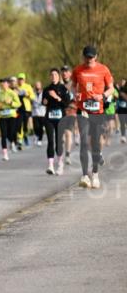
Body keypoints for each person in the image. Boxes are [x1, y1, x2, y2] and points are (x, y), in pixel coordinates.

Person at [71, 45, 114, 189]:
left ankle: (95, 174)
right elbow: (72, 85)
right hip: (83, 110)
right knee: (83, 142)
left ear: (96, 57)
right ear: (83, 56)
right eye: (87, 56)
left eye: (91, 57)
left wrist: (102, 96)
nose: (89, 59)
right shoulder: (78, 70)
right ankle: (84, 176)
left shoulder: (103, 69)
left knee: (95, 144)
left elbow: (111, 88)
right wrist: (74, 94)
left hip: (97, 111)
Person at [42, 68, 72, 175]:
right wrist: (45, 101)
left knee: (59, 141)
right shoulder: (46, 89)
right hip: (49, 117)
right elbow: (44, 102)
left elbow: (66, 103)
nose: (53, 76)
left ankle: (60, 164)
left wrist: (56, 97)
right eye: (52, 75)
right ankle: (50, 165)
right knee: (50, 140)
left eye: (55, 74)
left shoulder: (63, 88)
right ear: (50, 77)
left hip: (60, 118)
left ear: (58, 76)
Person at [0, 77, 22, 161]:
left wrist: (11, 102)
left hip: (11, 115)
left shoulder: (12, 93)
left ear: (8, 84)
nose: (3, 84)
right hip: (2, 116)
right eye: (2, 83)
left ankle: (13, 142)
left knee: (11, 132)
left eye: (4, 82)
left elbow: (18, 104)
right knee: (3, 135)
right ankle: (5, 154)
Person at [31, 79, 47, 147]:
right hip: (35, 113)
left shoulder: (44, 93)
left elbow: (46, 101)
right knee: (36, 127)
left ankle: (40, 140)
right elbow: (30, 101)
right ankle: (37, 136)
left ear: (41, 86)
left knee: (41, 127)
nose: (37, 86)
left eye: (38, 85)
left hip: (42, 113)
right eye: (36, 85)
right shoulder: (32, 93)